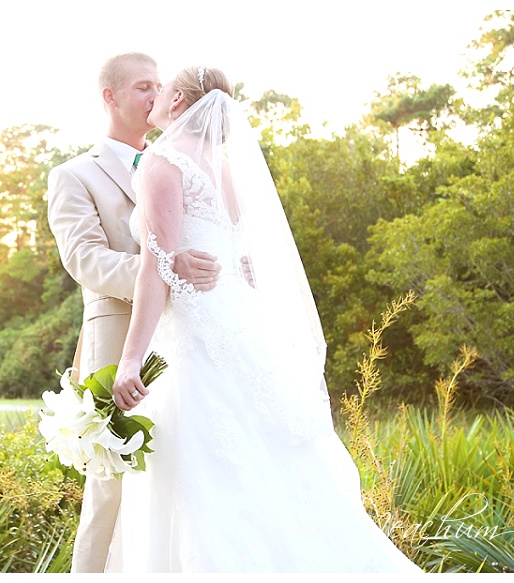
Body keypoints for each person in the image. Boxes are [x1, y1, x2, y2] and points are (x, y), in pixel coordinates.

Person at [108, 65, 423, 573]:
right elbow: (243, 262)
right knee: (266, 461)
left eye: (162, 88)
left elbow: (155, 266)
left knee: (204, 470)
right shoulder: (227, 167)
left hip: (196, 333)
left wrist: (130, 360)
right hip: (240, 324)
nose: (156, 95)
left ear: (180, 99)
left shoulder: (162, 161)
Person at [46, 53, 222, 573]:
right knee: (111, 487)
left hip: (186, 342)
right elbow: (85, 260)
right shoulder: (75, 175)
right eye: (143, 87)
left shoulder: (186, 162)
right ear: (110, 96)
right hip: (116, 340)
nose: (156, 96)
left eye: (159, 86)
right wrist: (165, 271)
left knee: (176, 478)